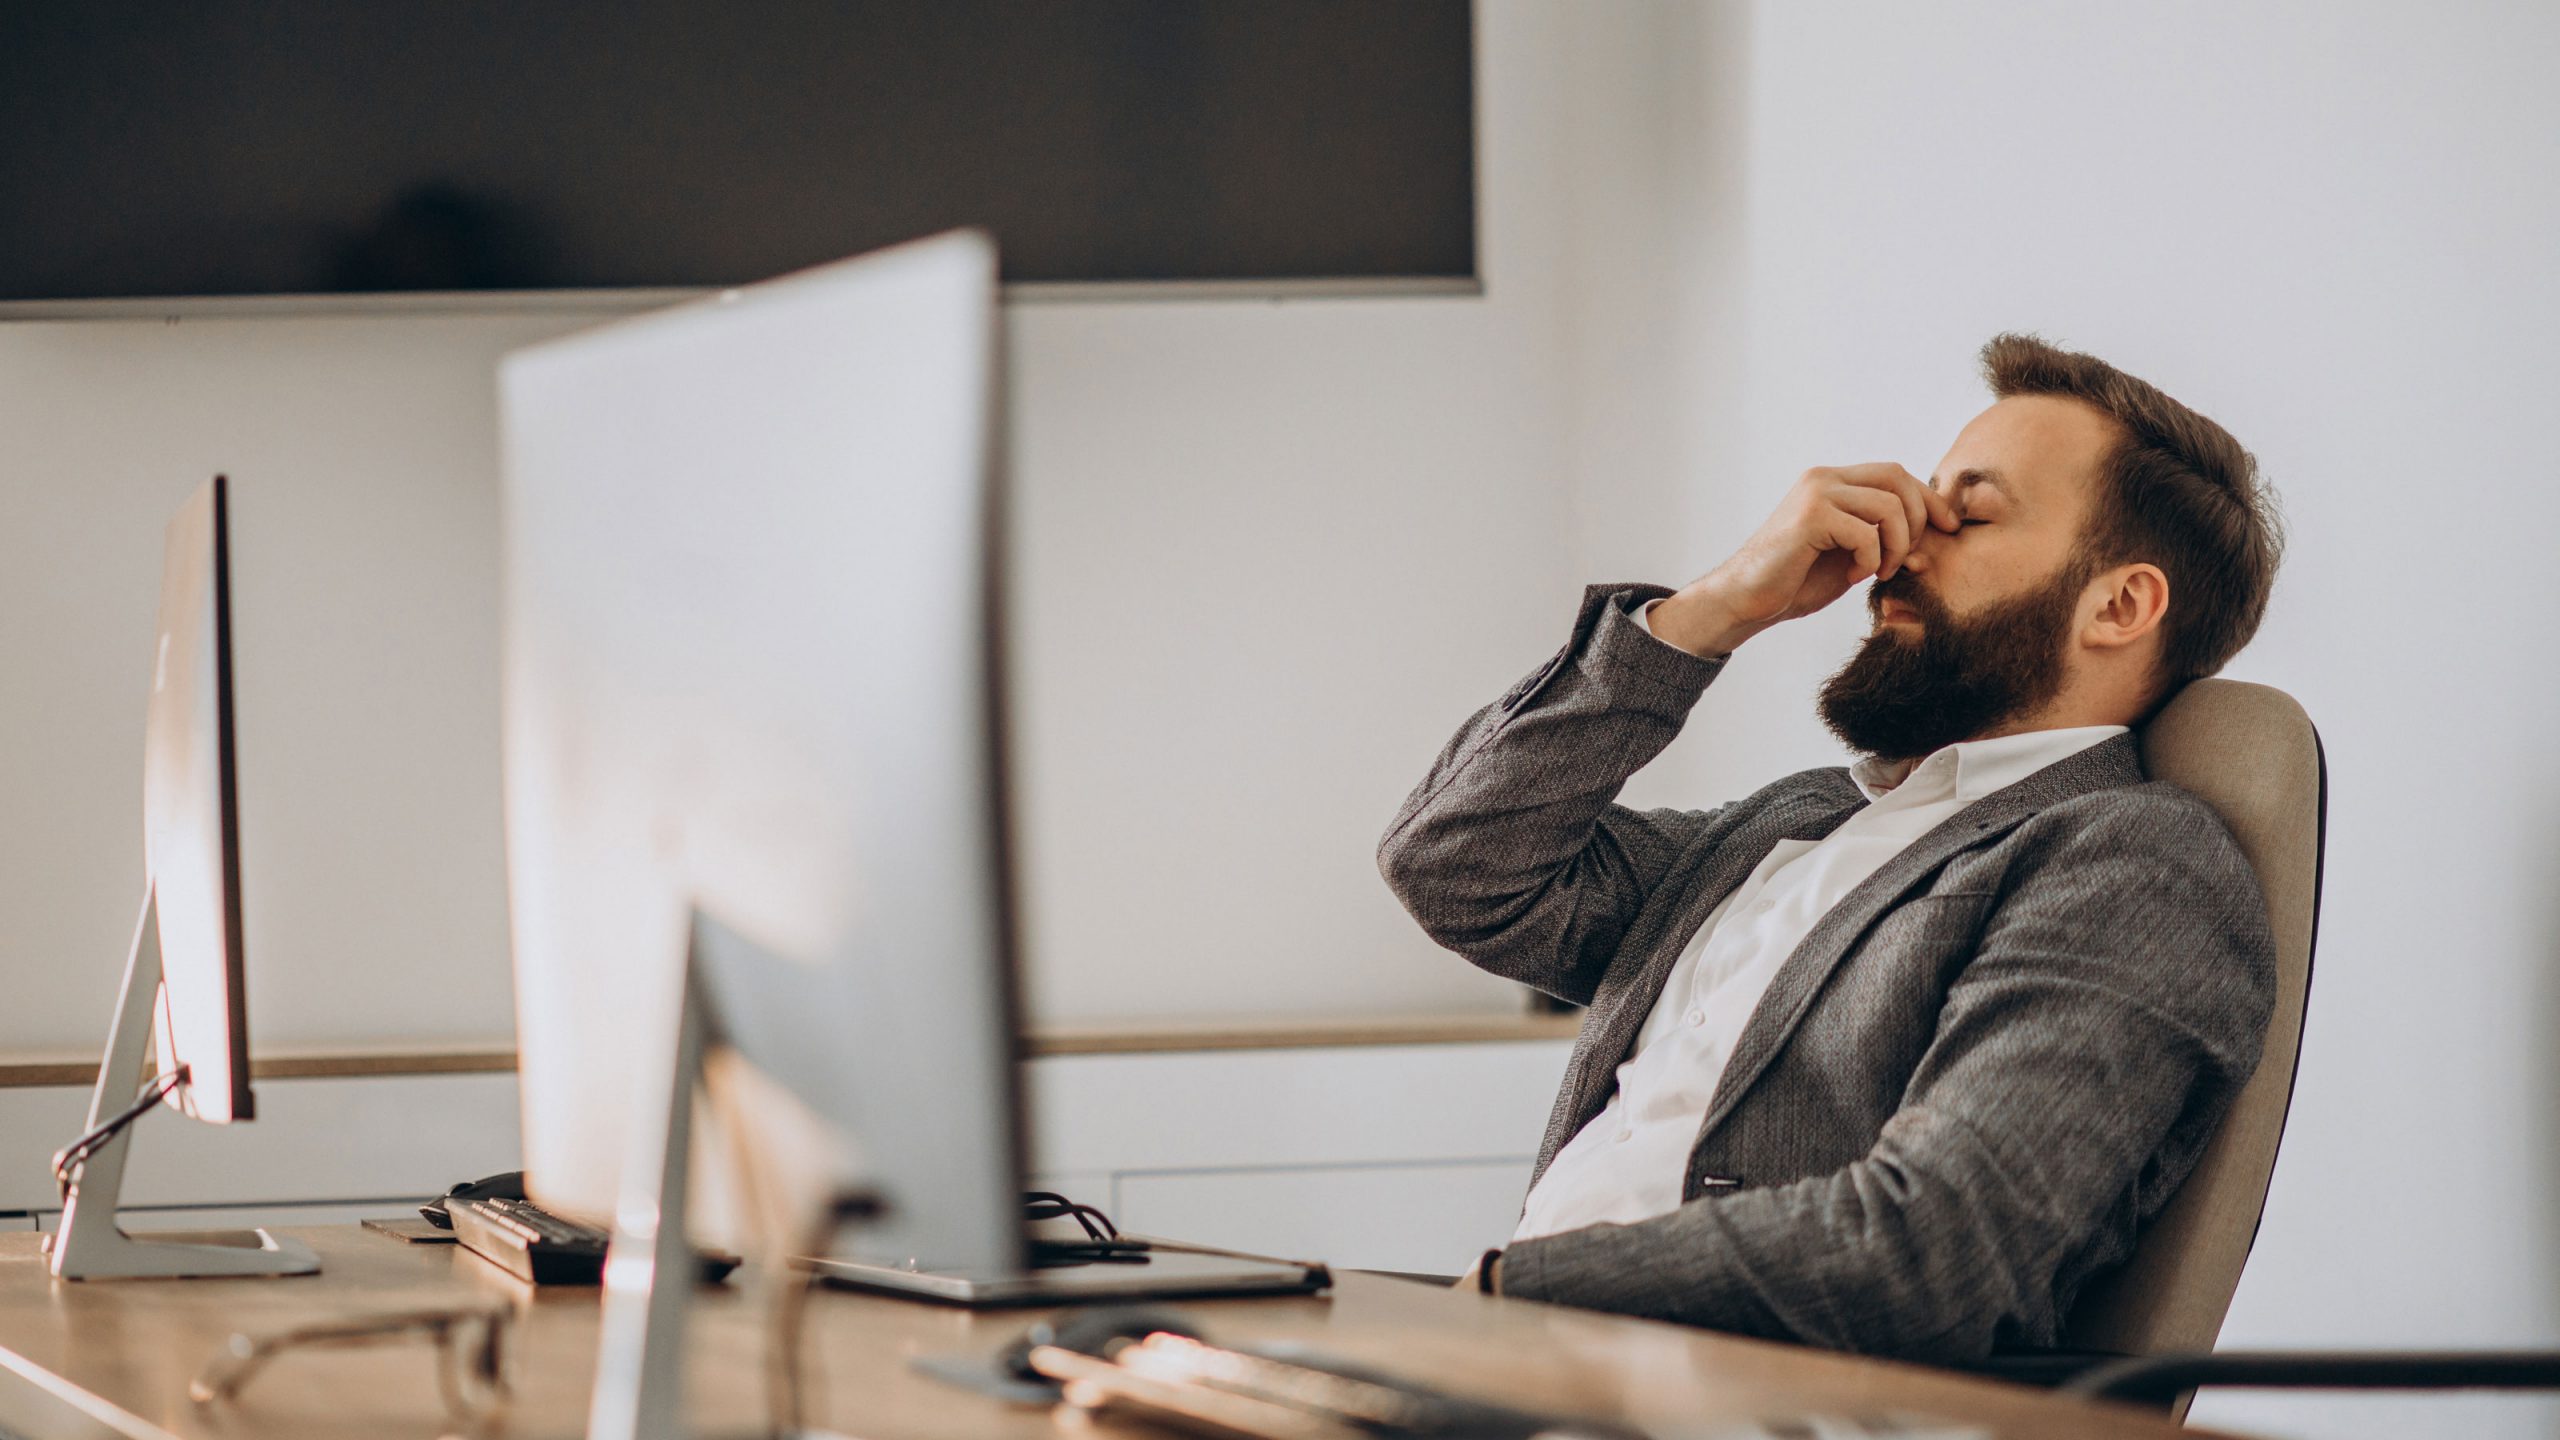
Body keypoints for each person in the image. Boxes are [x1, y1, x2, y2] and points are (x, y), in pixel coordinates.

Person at [1377, 333, 2282, 1362]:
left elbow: (1935, 1249)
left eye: (1969, 516)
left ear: (2118, 604)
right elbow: (1455, 864)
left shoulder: (2128, 864)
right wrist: (1710, 610)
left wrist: (1522, 1290)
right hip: (1530, 1369)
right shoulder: (1792, 823)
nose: (1896, 550)